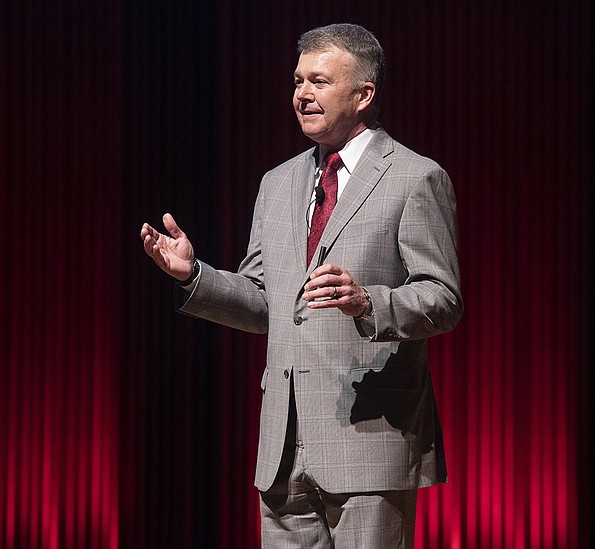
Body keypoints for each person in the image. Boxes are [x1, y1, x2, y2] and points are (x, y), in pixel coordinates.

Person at [140, 23, 462, 548]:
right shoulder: (278, 182)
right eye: (297, 81)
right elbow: (267, 302)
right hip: (285, 450)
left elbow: (442, 300)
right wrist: (195, 275)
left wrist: (367, 303)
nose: (301, 94)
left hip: (369, 440)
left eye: (318, 81)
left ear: (363, 94)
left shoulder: (414, 177)